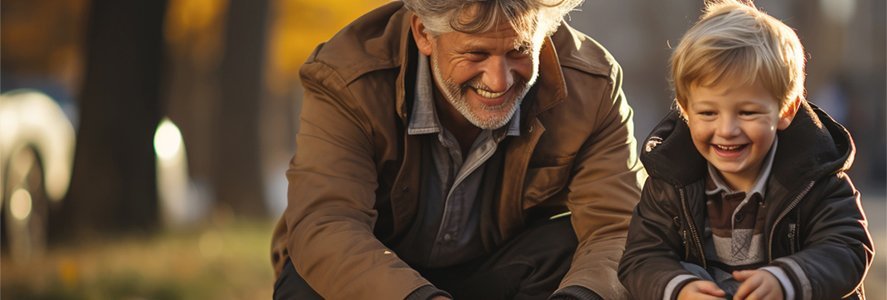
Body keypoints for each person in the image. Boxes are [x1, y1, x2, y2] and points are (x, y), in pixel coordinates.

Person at [269, 0, 644, 299]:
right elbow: (327, 223)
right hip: (378, 277)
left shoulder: (592, 85)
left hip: (496, 270)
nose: (499, 81)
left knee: (570, 251)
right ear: (424, 34)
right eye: (476, 54)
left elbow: (619, 227)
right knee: (308, 281)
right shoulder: (345, 76)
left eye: (517, 50)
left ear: (545, 35)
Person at [617, 1, 874, 299]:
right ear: (685, 110)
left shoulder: (815, 178)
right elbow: (641, 258)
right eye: (708, 114)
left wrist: (785, 280)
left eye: (748, 113)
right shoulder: (670, 181)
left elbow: (848, 247)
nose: (727, 129)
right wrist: (680, 288)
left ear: (785, 111)